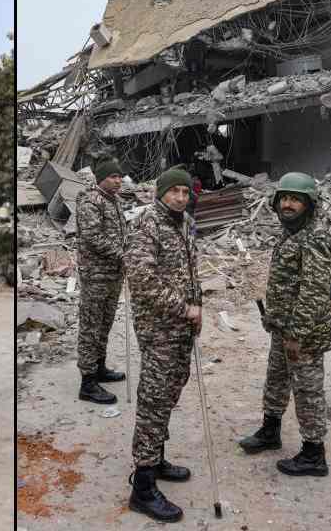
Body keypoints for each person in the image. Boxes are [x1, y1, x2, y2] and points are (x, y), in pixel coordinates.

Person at [239, 172, 331, 474]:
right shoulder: (291, 233)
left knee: (307, 391)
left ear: (309, 204)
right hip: (283, 328)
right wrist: (277, 320)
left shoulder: (316, 237)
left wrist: (296, 334)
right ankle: (271, 431)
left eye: (296, 199)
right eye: (284, 198)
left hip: (303, 333)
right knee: (277, 380)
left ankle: (313, 454)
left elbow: (314, 292)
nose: (288, 204)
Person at [125, 166, 201, 523]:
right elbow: (141, 279)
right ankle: (141, 487)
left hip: (183, 326)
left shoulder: (184, 222)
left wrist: (197, 306)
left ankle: (155, 459)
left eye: (186, 193)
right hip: (159, 327)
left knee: (170, 392)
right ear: (161, 192)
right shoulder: (147, 224)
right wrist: (182, 306)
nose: (181, 198)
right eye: (175, 192)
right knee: (154, 399)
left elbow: (191, 269)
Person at [76, 158, 127, 405]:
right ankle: (87, 383)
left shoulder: (115, 201)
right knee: (90, 326)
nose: (118, 181)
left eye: (120, 177)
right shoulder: (90, 201)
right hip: (95, 275)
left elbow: (121, 234)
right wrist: (123, 253)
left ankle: (100, 368)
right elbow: (92, 236)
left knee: (105, 323)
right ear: (100, 178)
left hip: (113, 274)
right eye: (113, 177)